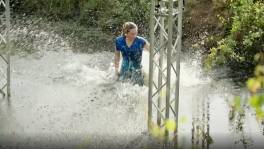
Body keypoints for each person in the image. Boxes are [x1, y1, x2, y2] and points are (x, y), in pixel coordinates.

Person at [114, 22, 150, 86]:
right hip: (124, 68)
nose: (135, 36)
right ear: (126, 33)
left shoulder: (141, 41)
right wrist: (116, 70)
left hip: (137, 70)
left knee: (137, 89)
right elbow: (117, 56)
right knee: (121, 87)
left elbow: (153, 52)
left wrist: (155, 61)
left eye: (136, 33)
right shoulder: (119, 41)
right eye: (132, 34)